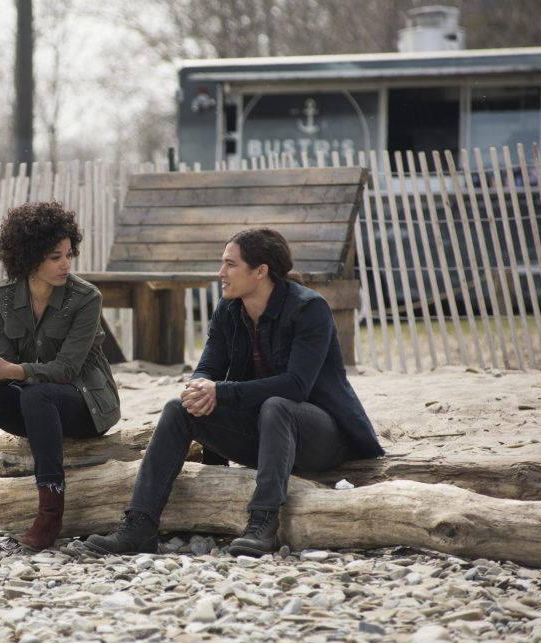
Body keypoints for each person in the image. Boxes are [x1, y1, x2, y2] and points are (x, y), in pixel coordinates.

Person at [85, 228, 383, 557]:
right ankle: (138, 526)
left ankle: (263, 523)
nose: (221, 273)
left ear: (260, 270)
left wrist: (221, 392)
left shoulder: (308, 308)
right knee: (177, 408)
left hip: (321, 438)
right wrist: (199, 389)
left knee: (277, 405)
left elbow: (297, 385)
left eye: (230, 264)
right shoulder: (228, 310)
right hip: (264, 437)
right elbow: (208, 367)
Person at [0, 201, 121, 552]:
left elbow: (65, 370)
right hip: (36, 406)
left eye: (68, 254)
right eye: (55, 257)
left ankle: (50, 515)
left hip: (86, 404)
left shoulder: (85, 298)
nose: (66, 264)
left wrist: (12, 370)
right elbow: (5, 366)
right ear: (29, 258)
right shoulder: (3, 298)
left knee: (37, 393)